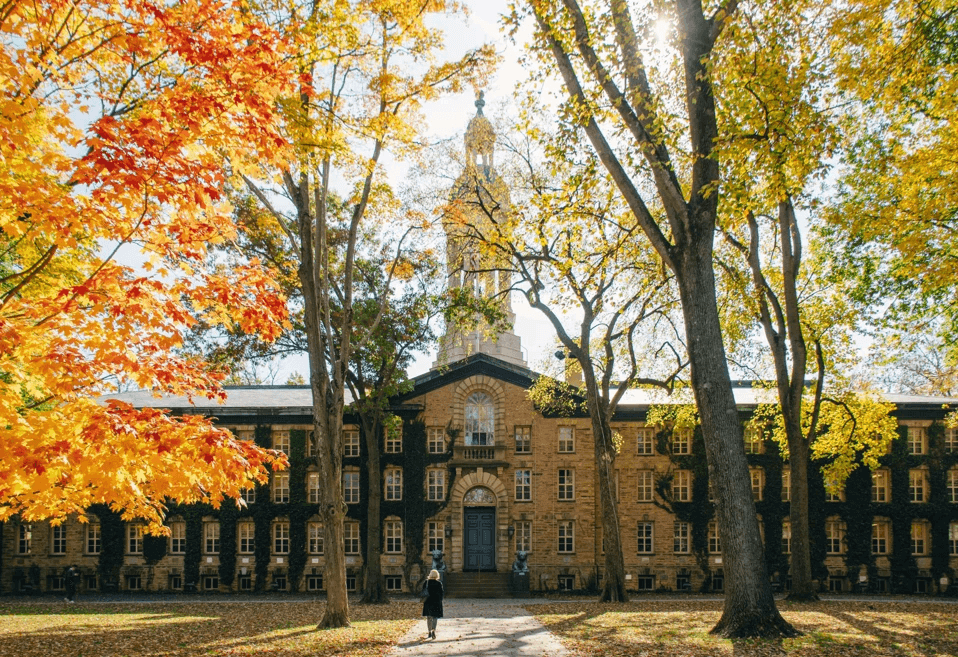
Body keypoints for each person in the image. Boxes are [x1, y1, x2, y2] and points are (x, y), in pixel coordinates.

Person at [421, 568, 444, 640]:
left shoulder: (426, 582)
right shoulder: (439, 583)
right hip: (436, 602)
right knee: (435, 617)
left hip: (428, 602)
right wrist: (440, 600)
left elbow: (423, 592)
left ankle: (429, 631)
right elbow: (441, 594)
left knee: (429, 618)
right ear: (437, 575)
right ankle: (434, 629)